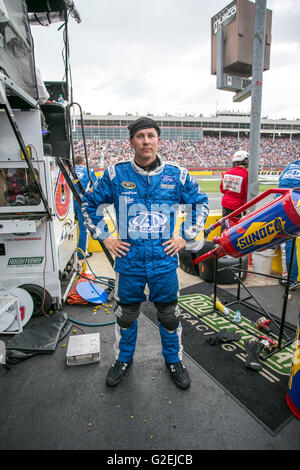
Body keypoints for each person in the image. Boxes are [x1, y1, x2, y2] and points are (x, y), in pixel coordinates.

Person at [82, 117, 209, 389]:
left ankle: (174, 360)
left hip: (163, 261)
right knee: (126, 315)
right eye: (140, 136)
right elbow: (88, 205)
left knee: (169, 315)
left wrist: (184, 237)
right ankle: (123, 360)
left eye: (151, 135)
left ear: (158, 140)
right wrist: (106, 237)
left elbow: (200, 203)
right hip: (129, 261)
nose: (146, 141)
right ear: (132, 142)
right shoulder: (116, 174)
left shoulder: (177, 174)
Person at [278, 159, 300, 290]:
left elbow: (281, 185)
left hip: (286, 206)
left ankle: (290, 279)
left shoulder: (290, 165)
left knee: (287, 241)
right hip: (290, 204)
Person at [74, 155, 96, 259]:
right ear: (83, 163)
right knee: (83, 228)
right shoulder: (89, 171)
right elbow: (95, 187)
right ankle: (82, 253)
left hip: (68, 203)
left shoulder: (69, 170)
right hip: (82, 201)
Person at [220, 150, 249, 224]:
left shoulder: (227, 173)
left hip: (225, 203)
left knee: (225, 225)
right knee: (237, 227)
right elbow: (246, 194)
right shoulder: (246, 174)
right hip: (238, 206)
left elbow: (222, 189)